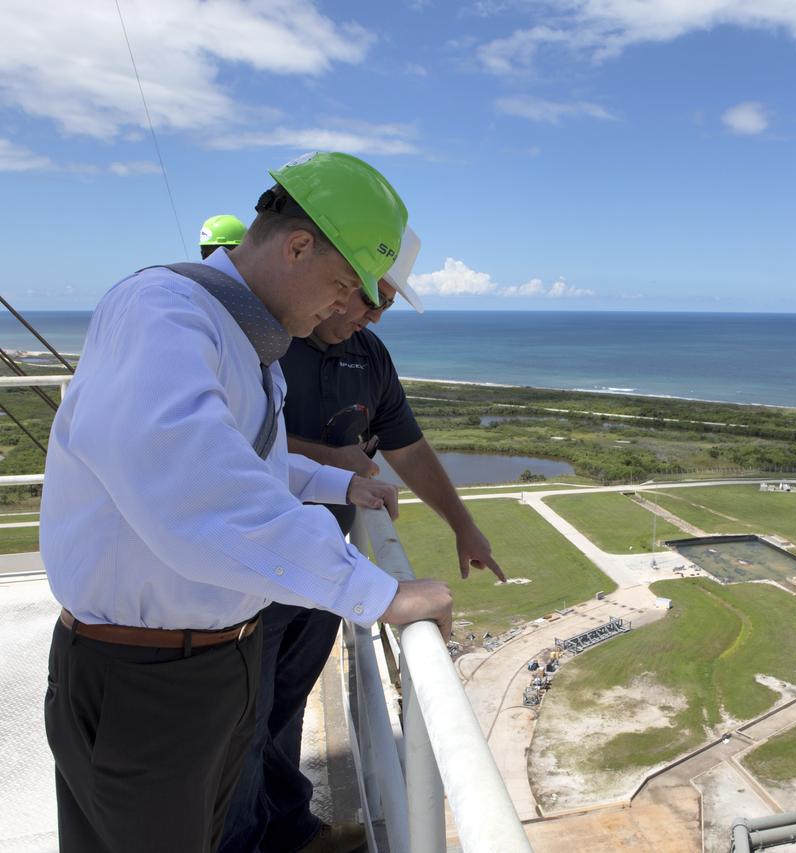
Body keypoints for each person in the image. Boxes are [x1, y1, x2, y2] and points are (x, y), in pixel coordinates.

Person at [39, 151, 453, 853]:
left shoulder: (244, 341)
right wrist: (378, 591)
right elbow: (197, 493)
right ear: (296, 245)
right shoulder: (163, 313)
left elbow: (250, 465)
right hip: (145, 681)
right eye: (348, 286)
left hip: (202, 668)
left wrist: (338, 484)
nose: (352, 312)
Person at [221, 226, 505, 853]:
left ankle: (288, 829)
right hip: (255, 569)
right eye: (363, 293)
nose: (372, 312)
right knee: (242, 720)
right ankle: (250, 837)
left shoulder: (368, 355)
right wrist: (333, 459)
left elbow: (407, 447)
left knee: (286, 706)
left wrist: (464, 525)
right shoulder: (265, 342)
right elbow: (227, 440)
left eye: (385, 303)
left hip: (326, 572)